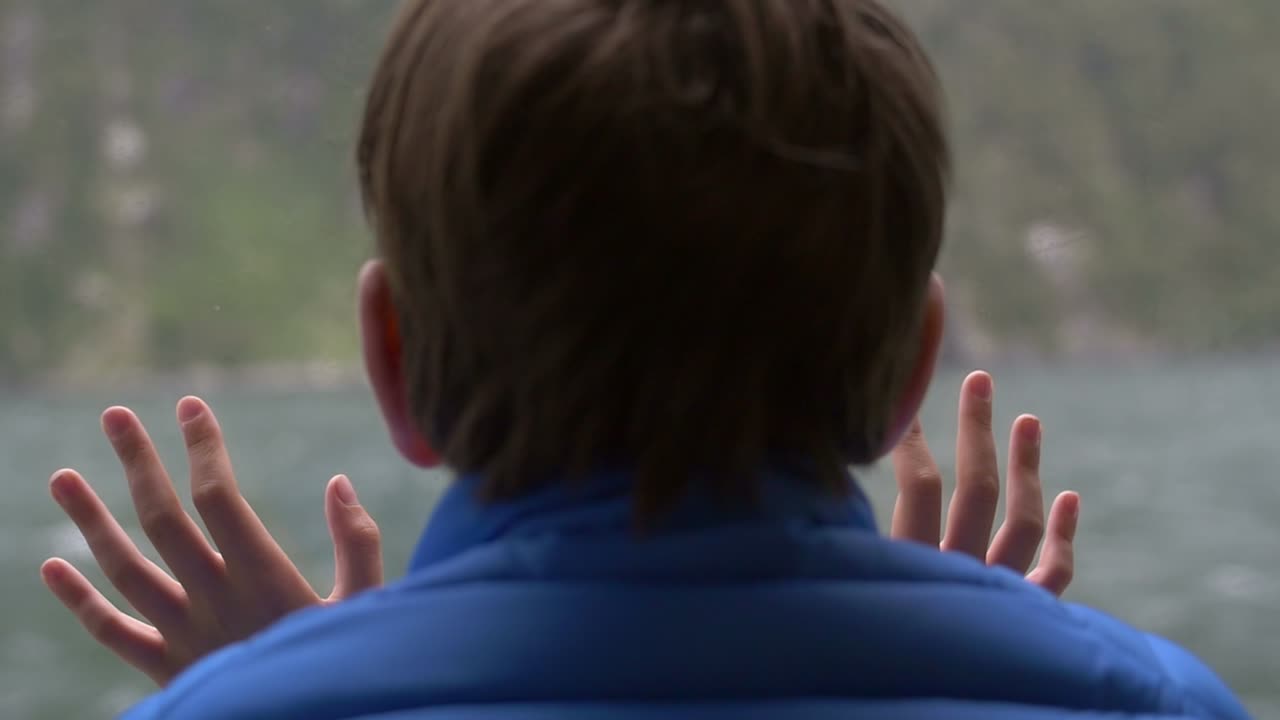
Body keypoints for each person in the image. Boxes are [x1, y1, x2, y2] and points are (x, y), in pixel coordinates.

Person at [41, 0, 1248, 717]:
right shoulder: (1139, 705)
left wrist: (288, 684)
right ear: (904, 375)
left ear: (391, 362)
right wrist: (961, 638)